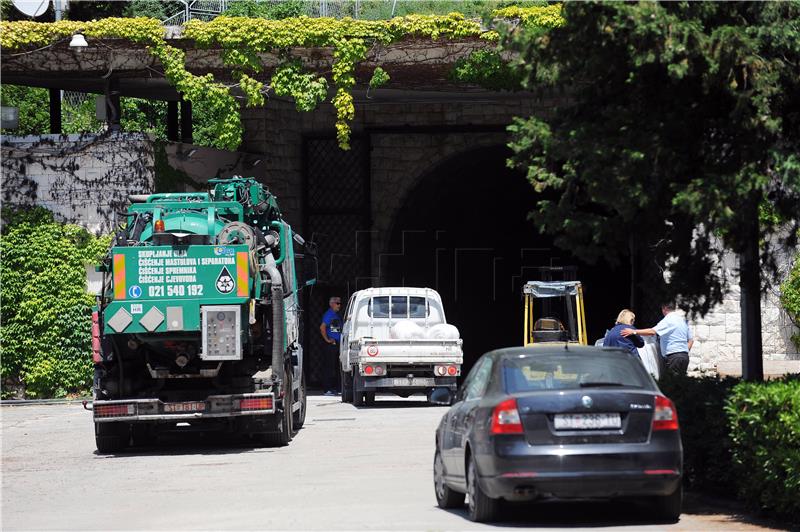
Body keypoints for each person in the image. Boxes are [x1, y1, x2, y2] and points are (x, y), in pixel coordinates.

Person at [621, 302, 693, 375]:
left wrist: (634, 331)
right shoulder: (682, 320)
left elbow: (652, 331)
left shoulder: (668, 320)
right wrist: (683, 351)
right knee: (682, 382)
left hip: (673, 357)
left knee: (673, 383)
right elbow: (691, 340)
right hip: (685, 356)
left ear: (664, 308)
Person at [319, 296, 343, 396]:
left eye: (340, 303)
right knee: (329, 367)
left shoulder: (335, 315)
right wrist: (327, 340)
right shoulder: (329, 314)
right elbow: (322, 327)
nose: (339, 305)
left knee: (337, 367)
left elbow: (335, 329)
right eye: (337, 303)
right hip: (331, 345)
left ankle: (338, 388)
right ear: (332, 304)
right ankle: (327, 389)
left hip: (337, 344)